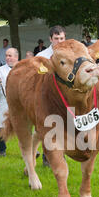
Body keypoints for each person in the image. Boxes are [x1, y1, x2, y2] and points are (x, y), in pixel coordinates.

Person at [36, 25, 67, 166]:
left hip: (64, 98)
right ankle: (47, 157)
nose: (59, 41)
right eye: (56, 38)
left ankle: (61, 156)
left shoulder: (70, 54)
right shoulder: (41, 57)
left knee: (63, 127)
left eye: (62, 38)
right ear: (50, 39)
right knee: (47, 127)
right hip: (45, 98)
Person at [0, 48, 20, 157]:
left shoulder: (23, 68)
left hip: (20, 103)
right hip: (5, 102)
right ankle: (1, 150)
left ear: (16, 57)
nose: (8, 58)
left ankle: (30, 149)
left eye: (10, 55)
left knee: (23, 126)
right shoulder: (0, 70)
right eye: (6, 55)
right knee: (2, 125)